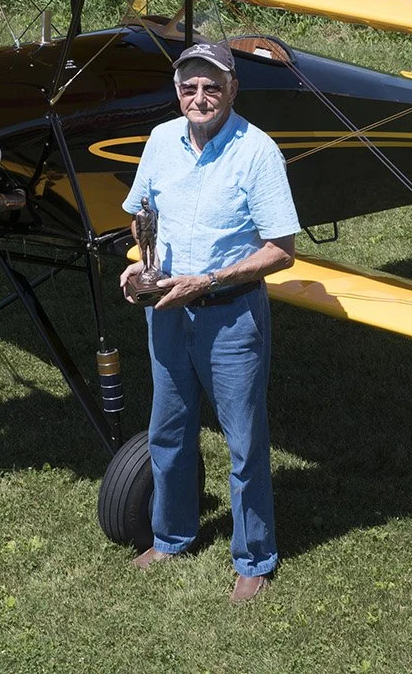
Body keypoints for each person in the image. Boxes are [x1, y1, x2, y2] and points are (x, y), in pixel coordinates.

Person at [119, 41, 300, 604]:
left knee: (244, 443)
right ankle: (171, 537)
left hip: (232, 316)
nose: (199, 97)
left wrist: (210, 281)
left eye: (212, 87)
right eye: (189, 87)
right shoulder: (160, 140)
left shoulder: (258, 151)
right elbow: (141, 214)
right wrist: (143, 266)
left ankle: (254, 558)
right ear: (177, 91)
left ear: (232, 90)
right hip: (168, 313)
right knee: (168, 431)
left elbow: (282, 251)